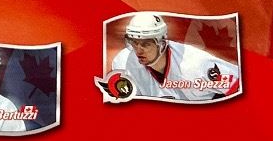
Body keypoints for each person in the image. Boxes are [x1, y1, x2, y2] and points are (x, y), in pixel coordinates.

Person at [99, 11, 238, 103]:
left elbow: (238, 86)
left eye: (146, 44)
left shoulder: (195, 65)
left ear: (162, 43)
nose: (138, 50)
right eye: (134, 42)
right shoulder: (124, 62)